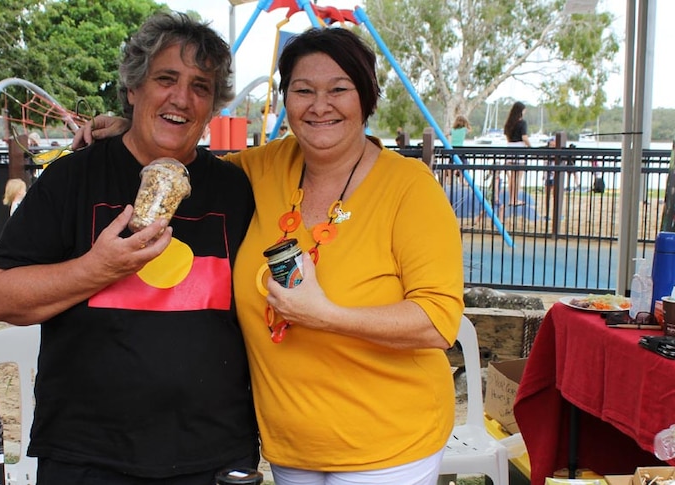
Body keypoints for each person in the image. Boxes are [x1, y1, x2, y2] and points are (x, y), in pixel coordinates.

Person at [77, 27, 464, 485]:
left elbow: (437, 322)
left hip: (389, 445)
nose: (320, 105)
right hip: (290, 443)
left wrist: (327, 315)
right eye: (303, 90)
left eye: (339, 89)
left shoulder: (410, 187)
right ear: (286, 100)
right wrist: (137, 128)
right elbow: (188, 162)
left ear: (366, 98)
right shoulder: (260, 168)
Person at [0, 12, 258, 485]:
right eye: (165, 79)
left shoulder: (238, 189)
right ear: (133, 89)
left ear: (213, 106)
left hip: (213, 456)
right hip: (87, 457)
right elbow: (0, 298)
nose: (181, 99)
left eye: (200, 86)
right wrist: (97, 268)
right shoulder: (72, 179)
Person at [503, 101, 531, 206]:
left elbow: (507, 138)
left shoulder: (508, 123)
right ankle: (515, 199)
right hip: (519, 148)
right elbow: (524, 137)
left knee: (511, 177)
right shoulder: (522, 123)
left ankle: (511, 199)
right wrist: (530, 146)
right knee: (518, 177)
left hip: (510, 148)